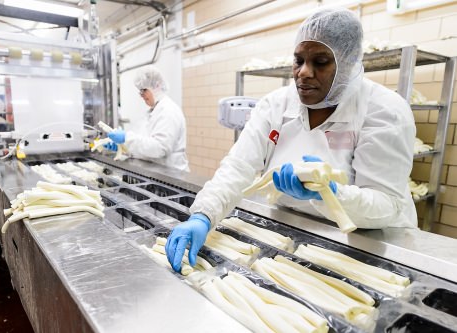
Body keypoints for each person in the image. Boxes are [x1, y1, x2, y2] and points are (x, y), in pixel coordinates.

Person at [165, 7, 418, 272]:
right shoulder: (275, 105)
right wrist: (203, 215)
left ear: (349, 63)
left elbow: (386, 204)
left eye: (320, 62)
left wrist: (330, 194)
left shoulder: (383, 111)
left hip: (369, 246)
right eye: (298, 60)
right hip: (294, 238)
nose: (304, 72)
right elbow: (238, 167)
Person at [105, 65, 189, 172]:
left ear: (157, 86)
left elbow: (159, 149)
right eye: (140, 91)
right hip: (158, 173)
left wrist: (126, 138)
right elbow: (144, 145)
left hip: (172, 176)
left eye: (144, 90)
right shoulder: (152, 112)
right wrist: (123, 146)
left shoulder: (168, 111)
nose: (141, 95)